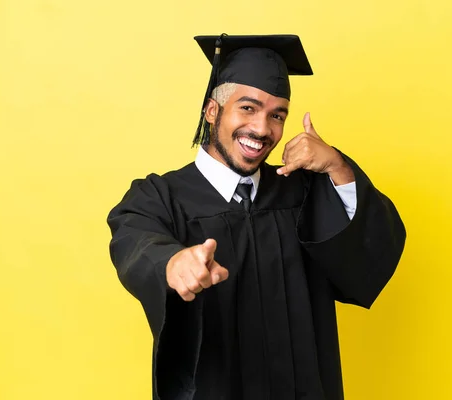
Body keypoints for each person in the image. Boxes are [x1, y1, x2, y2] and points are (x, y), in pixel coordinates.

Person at [107, 34, 406, 400]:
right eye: (247, 108)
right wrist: (172, 264)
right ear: (212, 110)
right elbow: (134, 240)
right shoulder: (161, 196)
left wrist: (337, 166)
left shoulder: (303, 191)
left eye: (277, 115)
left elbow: (367, 256)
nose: (263, 129)